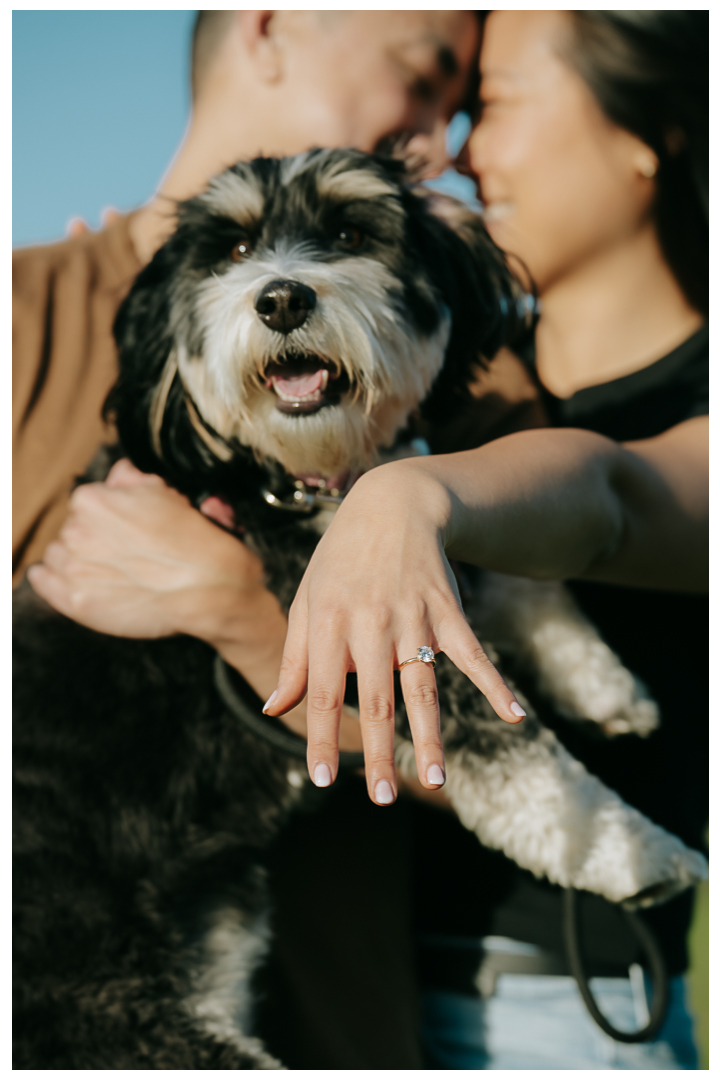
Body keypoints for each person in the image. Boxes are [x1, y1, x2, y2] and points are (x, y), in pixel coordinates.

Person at [14, 10, 490, 1068]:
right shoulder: (20, 317)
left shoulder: (446, 358)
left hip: (346, 1029)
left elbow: (485, 757)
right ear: (270, 27)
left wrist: (240, 612)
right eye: (424, 79)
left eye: (458, 111)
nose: (441, 140)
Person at [259, 9, 707, 1069]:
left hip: (550, 1021)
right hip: (349, 1002)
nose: (457, 150)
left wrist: (410, 498)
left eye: (491, 107)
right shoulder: (448, 373)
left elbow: (616, 497)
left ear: (644, 133)